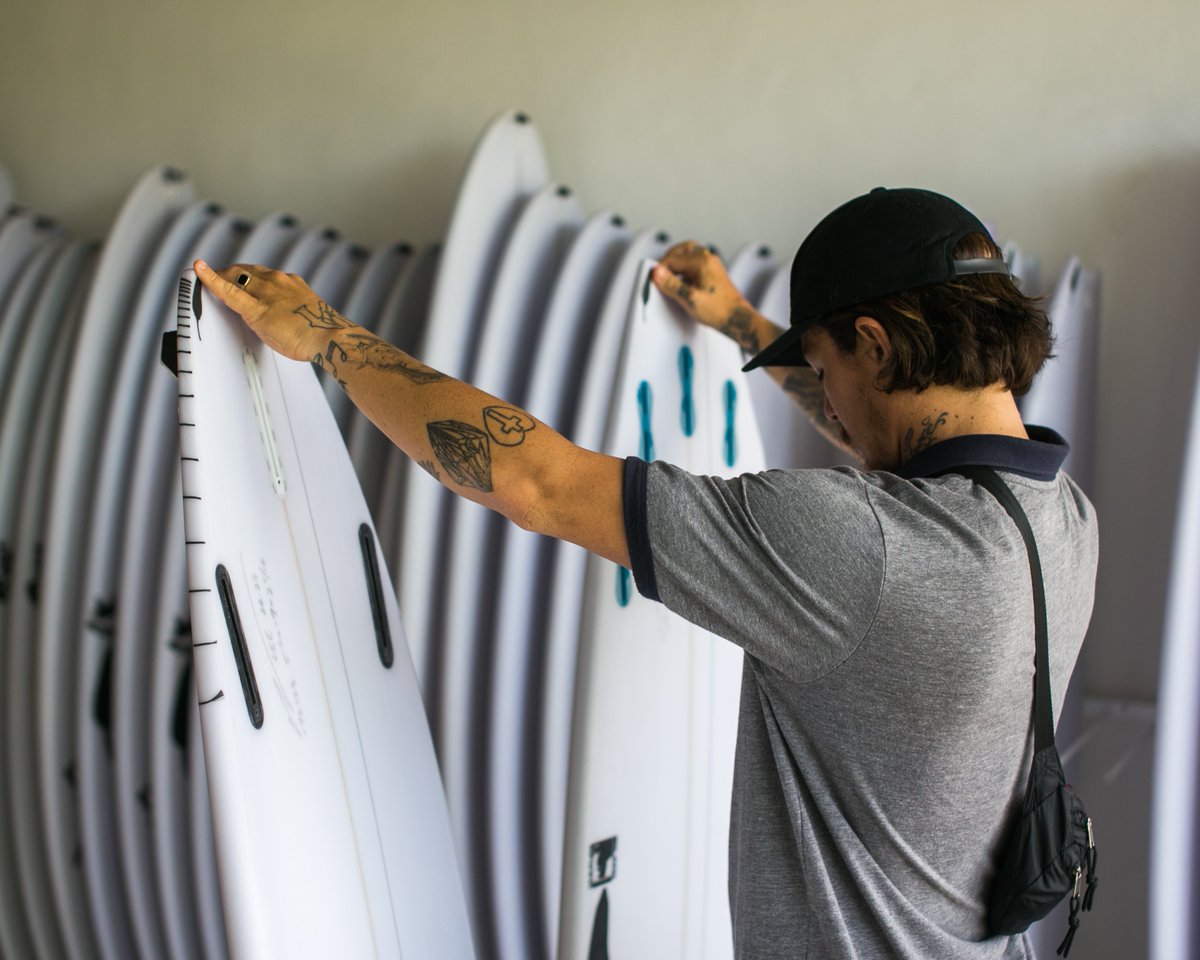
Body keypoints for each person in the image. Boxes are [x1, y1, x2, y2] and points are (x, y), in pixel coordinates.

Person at [195, 186, 1098, 959]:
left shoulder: (855, 549)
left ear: (880, 345)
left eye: (826, 371)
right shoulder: (1058, 520)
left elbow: (536, 481)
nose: (832, 408)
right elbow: (902, 464)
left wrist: (329, 339)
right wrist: (745, 326)